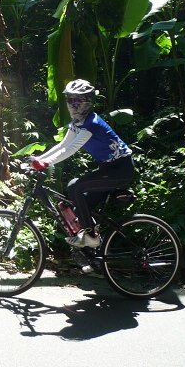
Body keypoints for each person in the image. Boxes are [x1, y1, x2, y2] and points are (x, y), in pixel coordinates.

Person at [29, 79, 134, 248]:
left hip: (121, 169)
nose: (73, 104)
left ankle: (92, 236)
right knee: (73, 189)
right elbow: (62, 145)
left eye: (78, 99)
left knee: (78, 187)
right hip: (107, 168)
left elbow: (72, 149)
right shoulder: (77, 124)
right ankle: (90, 251)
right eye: (70, 99)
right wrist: (38, 159)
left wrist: (46, 163)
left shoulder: (91, 123)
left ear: (88, 101)